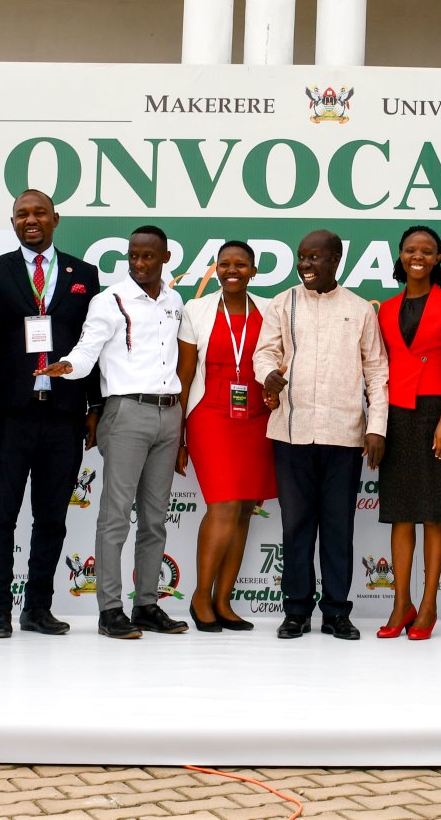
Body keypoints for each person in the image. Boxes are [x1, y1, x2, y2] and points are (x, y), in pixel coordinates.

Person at [40, 225, 188, 639]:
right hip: (127, 413)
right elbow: (88, 351)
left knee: (156, 519)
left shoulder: (174, 300)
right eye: (133, 256)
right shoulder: (109, 301)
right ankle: (109, 610)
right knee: (115, 517)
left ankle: (146, 605)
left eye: (148, 257)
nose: (139, 263)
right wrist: (67, 367)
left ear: (165, 259)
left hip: (168, 413)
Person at [0, 189, 102, 639]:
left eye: (39, 213)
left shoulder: (83, 274)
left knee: (51, 517)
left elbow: (94, 344)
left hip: (65, 413)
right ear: (13, 222)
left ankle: (38, 608)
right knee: (1, 515)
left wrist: (96, 406)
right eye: (22, 214)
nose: (31, 220)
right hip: (10, 413)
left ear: (56, 219)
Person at [255, 230, 389, 641]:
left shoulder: (359, 309)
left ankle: (336, 612)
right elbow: (265, 352)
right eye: (302, 258)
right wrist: (269, 376)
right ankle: (296, 611)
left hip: (344, 436)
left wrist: (376, 427)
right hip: (291, 434)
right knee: (295, 527)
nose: (306, 265)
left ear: (336, 260)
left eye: (315, 258)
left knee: (337, 528)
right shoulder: (283, 303)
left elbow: (377, 370)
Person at [176, 240, 276, 632]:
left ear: (253, 271)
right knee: (223, 505)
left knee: (245, 509)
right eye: (224, 264)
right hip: (210, 416)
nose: (231, 270)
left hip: (257, 418)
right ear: (215, 269)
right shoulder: (195, 309)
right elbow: (185, 375)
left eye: (240, 264)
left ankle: (224, 599)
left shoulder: (270, 309)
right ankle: (201, 596)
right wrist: (178, 434)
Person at [374, 226, 441, 642]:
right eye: (411, 249)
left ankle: (428, 604)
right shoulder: (385, 309)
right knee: (400, 512)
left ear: (437, 259)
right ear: (401, 254)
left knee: (433, 513)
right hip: (396, 415)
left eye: (426, 251)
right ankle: (400, 602)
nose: (418, 256)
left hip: (434, 413)